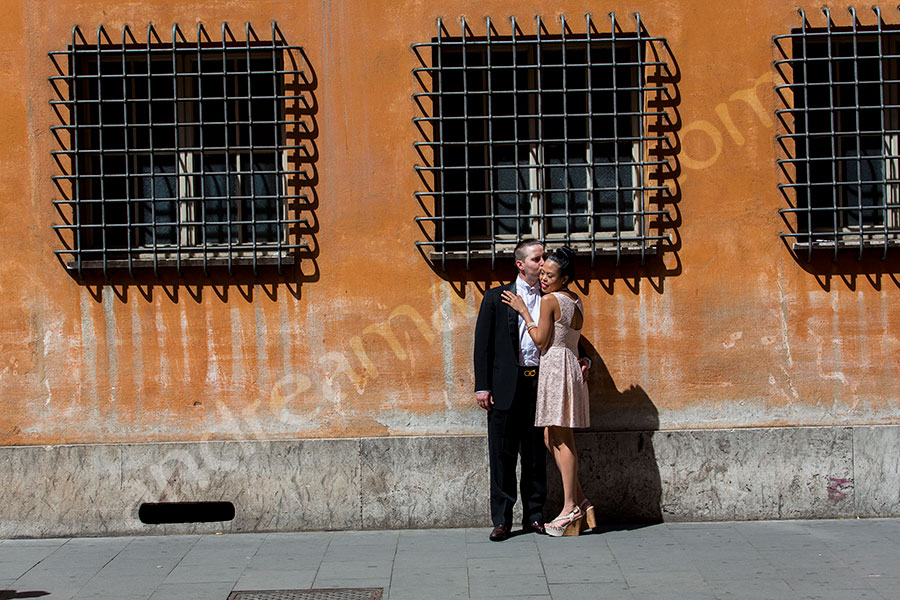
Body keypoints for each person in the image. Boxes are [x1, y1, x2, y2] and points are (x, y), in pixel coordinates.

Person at [501, 245, 595, 537]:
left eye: (550, 276)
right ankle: (581, 501)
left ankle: (570, 508)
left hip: (555, 369)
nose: (543, 279)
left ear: (563, 278)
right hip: (567, 365)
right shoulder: (575, 299)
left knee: (561, 438)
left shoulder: (550, 300)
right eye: (542, 273)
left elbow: (541, 341)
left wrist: (524, 312)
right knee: (549, 435)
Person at [473, 240, 548, 541]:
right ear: (521, 264)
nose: (542, 263)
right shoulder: (496, 297)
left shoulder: (550, 297)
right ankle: (502, 520)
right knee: (502, 456)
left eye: (544, 258)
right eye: (536, 259)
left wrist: (583, 357)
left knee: (535, 455)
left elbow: (565, 332)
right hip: (505, 386)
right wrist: (482, 386)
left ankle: (535, 516)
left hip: (539, 384)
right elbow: (483, 345)